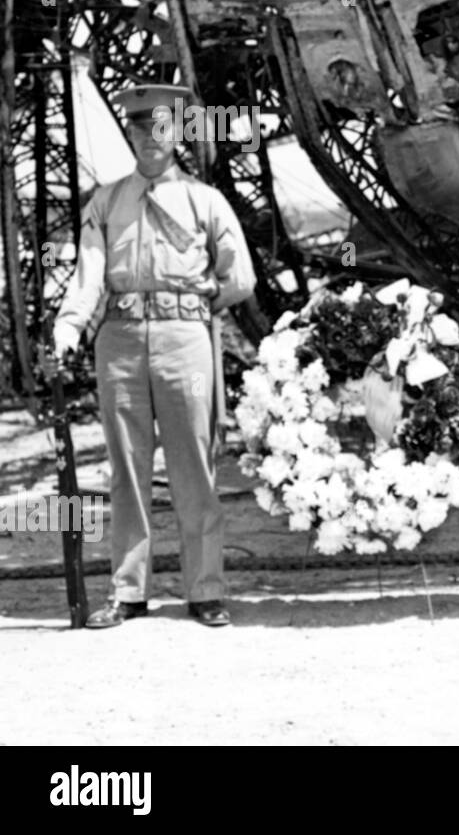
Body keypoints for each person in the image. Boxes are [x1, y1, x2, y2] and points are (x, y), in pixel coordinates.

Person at [51, 85, 255, 628]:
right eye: (140, 128)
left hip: (184, 339)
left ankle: (205, 590)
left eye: (161, 127)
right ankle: (128, 593)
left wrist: (203, 296)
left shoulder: (203, 200)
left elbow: (240, 275)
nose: (151, 138)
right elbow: (89, 275)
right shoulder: (107, 200)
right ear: (132, 134)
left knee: (194, 465)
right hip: (117, 342)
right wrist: (69, 328)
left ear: (179, 132)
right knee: (126, 469)